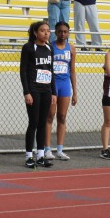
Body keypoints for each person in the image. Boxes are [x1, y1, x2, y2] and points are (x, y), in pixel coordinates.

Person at [20, 20, 55, 168]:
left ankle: (40, 155)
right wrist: (26, 92)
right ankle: (29, 156)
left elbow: (51, 70)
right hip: (33, 89)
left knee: (43, 123)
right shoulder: (28, 47)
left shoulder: (49, 48)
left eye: (48, 30)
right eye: (42, 30)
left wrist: (53, 92)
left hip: (46, 89)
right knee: (33, 122)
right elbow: (23, 71)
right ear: (35, 33)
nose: (46, 33)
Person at [42, 21, 76, 161]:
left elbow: (72, 70)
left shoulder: (71, 48)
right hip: (52, 84)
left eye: (65, 32)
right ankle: (47, 149)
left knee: (62, 116)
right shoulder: (50, 47)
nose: (62, 34)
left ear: (68, 33)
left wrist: (75, 92)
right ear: (55, 32)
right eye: (60, 31)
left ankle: (60, 150)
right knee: (50, 115)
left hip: (65, 84)